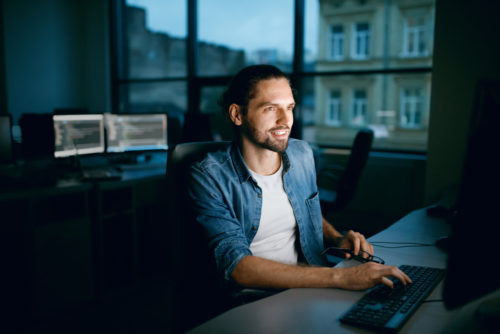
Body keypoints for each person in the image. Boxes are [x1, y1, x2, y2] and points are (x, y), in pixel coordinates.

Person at [187, 64, 411, 296]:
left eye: (290, 107)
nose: (286, 120)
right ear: (237, 114)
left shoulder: (301, 153)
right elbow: (236, 266)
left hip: (313, 280)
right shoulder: (208, 175)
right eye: (271, 108)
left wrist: (336, 237)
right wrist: (342, 277)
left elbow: (306, 210)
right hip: (255, 297)